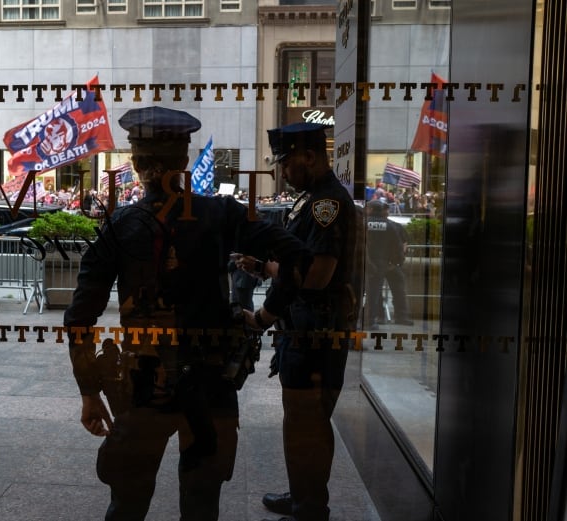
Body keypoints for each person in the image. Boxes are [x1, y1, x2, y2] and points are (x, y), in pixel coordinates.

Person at [63, 106, 311, 521]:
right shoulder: (221, 213)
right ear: (184, 161)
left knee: (127, 504)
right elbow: (299, 258)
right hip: (211, 382)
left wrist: (88, 391)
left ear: (137, 163)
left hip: (144, 384)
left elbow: (79, 319)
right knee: (201, 506)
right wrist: (266, 315)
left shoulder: (120, 225)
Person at [236, 122, 358, 521]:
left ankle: (310, 507)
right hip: (303, 330)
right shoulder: (309, 200)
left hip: (316, 333)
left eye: (286, 162)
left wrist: (263, 315)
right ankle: (304, 496)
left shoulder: (328, 204)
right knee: (301, 425)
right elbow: (296, 266)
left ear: (309, 156)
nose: (282, 171)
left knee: (307, 424)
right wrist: (266, 267)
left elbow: (317, 275)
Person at [365, 199, 413, 327]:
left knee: (373, 292)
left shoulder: (364, 223)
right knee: (398, 288)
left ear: (370, 210)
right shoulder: (391, 225)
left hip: (369, 263)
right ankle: (401, 316)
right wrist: (396, 263)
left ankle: (372, 320)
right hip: (386, 263)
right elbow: (398, 246)